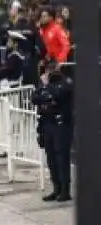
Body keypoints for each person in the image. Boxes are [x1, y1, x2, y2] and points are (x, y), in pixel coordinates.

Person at [32, 62, 73, 202]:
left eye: (51, 70)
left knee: (61, 157)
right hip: (47, 124)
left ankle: (65, 190)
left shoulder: (65, 82)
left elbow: (60, 95)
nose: (48, 74)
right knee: (51, 158)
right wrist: (45, 89)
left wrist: (48, 87)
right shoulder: (44, 85)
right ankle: (56, 187)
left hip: (61, 124)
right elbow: (35, 98)